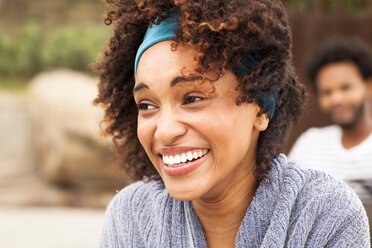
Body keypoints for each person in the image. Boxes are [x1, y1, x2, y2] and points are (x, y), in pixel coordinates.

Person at [95, 1, 369, 247]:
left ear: (261, 107)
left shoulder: (325, 216)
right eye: (147, 105)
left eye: (192, 98)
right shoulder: (131, 218)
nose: (165, 131)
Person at [289, 37, 372, 202]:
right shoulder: (310, 143)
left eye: (345, 87)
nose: (336, 99)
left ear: (368, 87)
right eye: (326, 92)